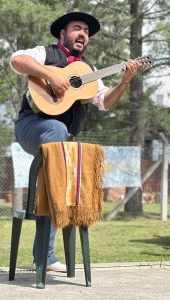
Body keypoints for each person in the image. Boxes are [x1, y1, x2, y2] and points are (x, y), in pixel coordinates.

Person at [10, 12, 141, 272]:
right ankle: (46, 254)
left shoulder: (87, 71)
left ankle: (46, 245)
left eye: (86, 32)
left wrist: (125, 80)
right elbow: (17, 60)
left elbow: (104, 101)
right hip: (31, 125)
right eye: (77, 28)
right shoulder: (44, 53)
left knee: (63, 166)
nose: (83, 34)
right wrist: (52, 76)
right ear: (62, 33)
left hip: (60, 140)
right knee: (57, 131)